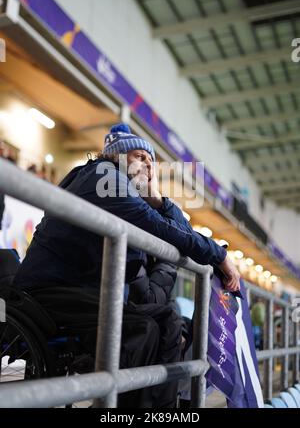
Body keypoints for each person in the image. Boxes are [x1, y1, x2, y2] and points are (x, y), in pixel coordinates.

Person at [13, 123, 240, 407]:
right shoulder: (100, 176)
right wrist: (218, 255)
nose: (147, 163)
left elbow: (178, 226)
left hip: (80, 290)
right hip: (49, 290)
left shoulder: (122, 187)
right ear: (117, 157)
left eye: (150, 160)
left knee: (168, 321)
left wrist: (157, 198)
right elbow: (161, 228)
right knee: (142, 328)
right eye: (138, 156)